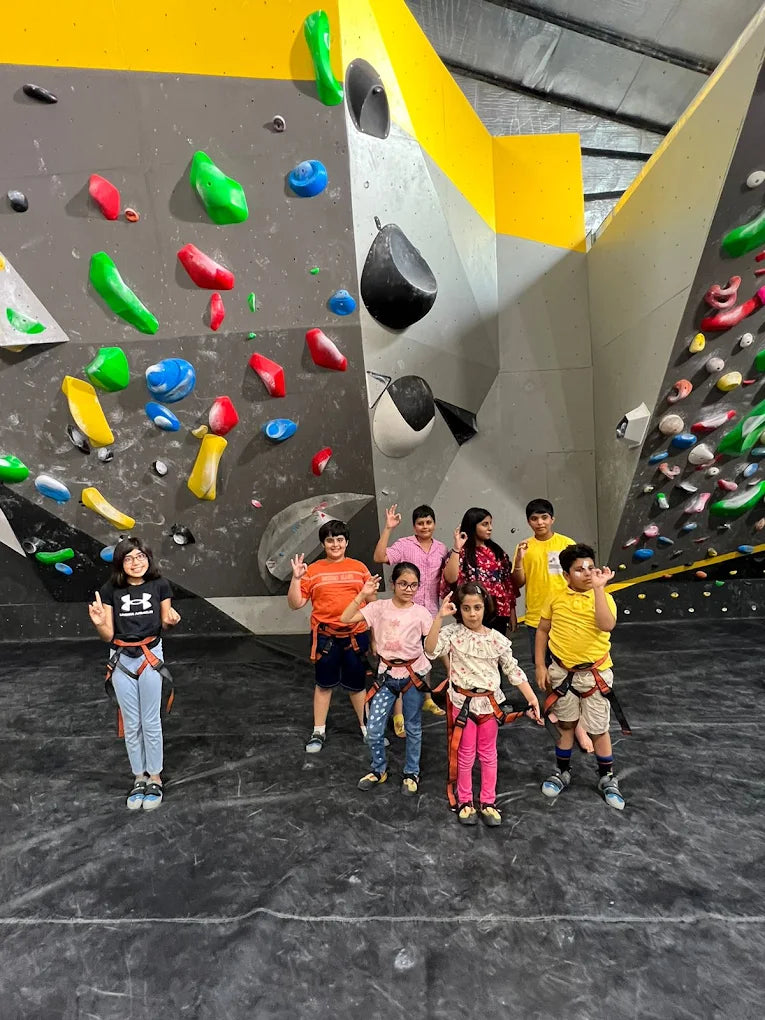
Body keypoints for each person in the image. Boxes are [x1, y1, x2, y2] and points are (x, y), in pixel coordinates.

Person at [425, 583, 541, 827]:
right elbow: (431, 650)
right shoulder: (453, 634)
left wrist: (531, 697)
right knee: (465, 755)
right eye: (466, 608)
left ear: (484, 608)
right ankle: (466, 800)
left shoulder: (497, 640)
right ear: (460, 610)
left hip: (489, 707)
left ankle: (488, 801)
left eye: (477, 607)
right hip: (462, 704)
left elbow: (513, 670)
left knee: (488, 754)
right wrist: (439, 618)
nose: (472, 613)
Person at [88, 536, 180, 811]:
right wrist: (99, 623)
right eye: (128, 558)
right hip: (120, 660)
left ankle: (155, 777)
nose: (135, 562)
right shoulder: (109, 590)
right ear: (120, 563)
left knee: (150, 720)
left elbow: (166, 621)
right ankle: (138, 777)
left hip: (150, 657)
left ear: (148, 558)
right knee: (131, 723)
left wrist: (172, 620)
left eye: (140, 556)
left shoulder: (160, 585)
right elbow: (107, 636)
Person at [534, 544, 625, 810]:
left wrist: (599, 588)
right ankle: (562, 771)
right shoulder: (555, 597)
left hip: (594, 675)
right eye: (578, 570)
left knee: (598, 728)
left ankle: (606, 777)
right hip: (562, 674)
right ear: (566, 575)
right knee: (566, 725)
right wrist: (541, 665)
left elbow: (607, 625)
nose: (586, 573)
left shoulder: (603, 597)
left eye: (590, 568)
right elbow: (542, 631)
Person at [340, 562, 433, 795]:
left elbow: (433, 646)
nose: (408, 589)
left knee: (413, 726)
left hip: (413, 675)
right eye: (403, 583)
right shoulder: (378, 608)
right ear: (392, 584)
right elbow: (346, 617)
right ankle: (378, 768)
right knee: (373, 728)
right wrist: (363, 593)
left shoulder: (421, 613)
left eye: (413, 585)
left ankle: (411, 772)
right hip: (387, 676)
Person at [511, 498, 593, 754]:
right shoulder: (524, 546)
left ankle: (578, 724)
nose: (540, 522)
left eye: (544, 517)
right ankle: (554, 706)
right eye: (534, 519)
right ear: (528, 522)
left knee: (568, 667)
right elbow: (518, 582)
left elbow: (580, 578)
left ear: (552, 519)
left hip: (564, 617)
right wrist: (519, 560)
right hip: (536, 617)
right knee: (544, 669)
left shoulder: (567, 544)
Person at [288, 519, 374, 753]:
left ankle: (367, 729)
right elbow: (296, 604)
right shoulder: (312, 571)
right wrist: (296, 579)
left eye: (339, 540)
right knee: (324, 685)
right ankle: (318, 731)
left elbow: (375, 608)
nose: (335, 544)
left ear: (347, 542)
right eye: (329, 540)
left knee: (357, 685)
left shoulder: (360, 568)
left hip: (356, 636)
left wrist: (376, 638)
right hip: (326, 638)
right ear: (323, 544)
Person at [373, 502, 449, 724]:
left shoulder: (442, 549)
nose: (425, 526)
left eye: (428, 522)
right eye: (420, 523)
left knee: (425, 656)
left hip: (431, 611)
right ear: (414, 526)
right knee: (402, 658)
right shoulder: (404, 545)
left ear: (434, 524)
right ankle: (398, 712)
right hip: (404, 612)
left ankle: (427, 698)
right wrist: (388, 528)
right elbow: (379, 557)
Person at [442, 507, 517, 634]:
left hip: (499, 612)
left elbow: (507, 584)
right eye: (485, 524)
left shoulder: (497, 551)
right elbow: (450, 578)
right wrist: (456, 548)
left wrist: (512, 612)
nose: (490, 528)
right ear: (472, 526)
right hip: (472, 611)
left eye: (490, 524)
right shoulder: (461, 552)